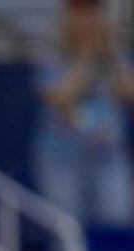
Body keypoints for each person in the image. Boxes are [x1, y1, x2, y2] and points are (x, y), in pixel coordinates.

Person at [33, 0, 134, 226]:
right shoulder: (51, 53)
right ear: (68, 17)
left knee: (115, 230)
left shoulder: (116, 54)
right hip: (63, 159)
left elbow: (129, 93)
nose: (86, 21)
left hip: (108, 157)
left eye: (92, 13)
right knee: (68, 234)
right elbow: (59, 97)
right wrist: (88, 56)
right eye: (80, 14)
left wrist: (113, 55)